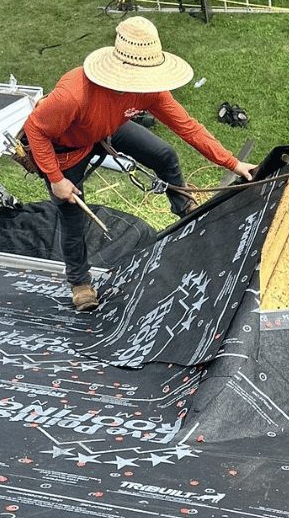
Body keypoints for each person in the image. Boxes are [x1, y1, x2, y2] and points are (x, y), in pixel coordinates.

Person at [23, 16, 256, 312]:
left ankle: (186, 210)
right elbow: (36, 130)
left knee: (164, 155)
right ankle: (80, 282)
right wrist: (56, 179)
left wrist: (233, 163)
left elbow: (187, 127)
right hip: (66, 149)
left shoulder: (149, 89)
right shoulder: (73, 94)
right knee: (72, 215)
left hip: (106, 127)